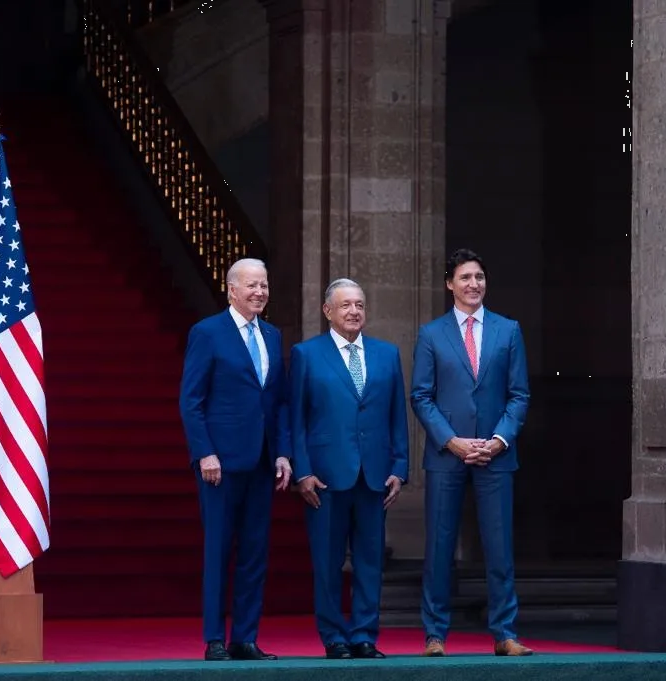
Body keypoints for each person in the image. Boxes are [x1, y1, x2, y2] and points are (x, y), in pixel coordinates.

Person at [410, 248, 532, 657]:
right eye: (465, 277)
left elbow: (519, 394)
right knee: (439, 547)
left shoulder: (508, 330)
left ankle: (505, 633)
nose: (473, 284)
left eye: (479, 277)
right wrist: (452, 441)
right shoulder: (432, 334)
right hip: (447, 455)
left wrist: (499, 440)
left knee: (499, 546)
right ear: (450, 284)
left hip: (496, 454)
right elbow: (421, 396)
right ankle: (435, 634)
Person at [179, 258, 292, 662]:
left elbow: (278, 402)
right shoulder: (208, 332)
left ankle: (245, 637)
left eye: (264, 285)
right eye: (251, 285)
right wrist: (204, 452)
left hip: (262, 461)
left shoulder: (273, 335)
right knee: (219, 550)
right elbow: (191, 400)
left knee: (254, 553)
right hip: (220, 464)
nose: (260, 292)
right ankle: (214, 638)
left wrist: (283, 452)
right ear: (231, 290)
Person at [290, 278, 409, 659]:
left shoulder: (386, 354)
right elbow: (296, 420)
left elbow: (397, 416)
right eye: (345, 305)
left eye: (359, 304)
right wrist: (302, 471)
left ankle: (364, 635)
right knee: (327, 562)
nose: (354, 311)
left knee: (370, 561)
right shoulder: (307, 355)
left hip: (375, 475)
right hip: (325, 477)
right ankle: (334, 637)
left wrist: (400, 467)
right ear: (327, 311)